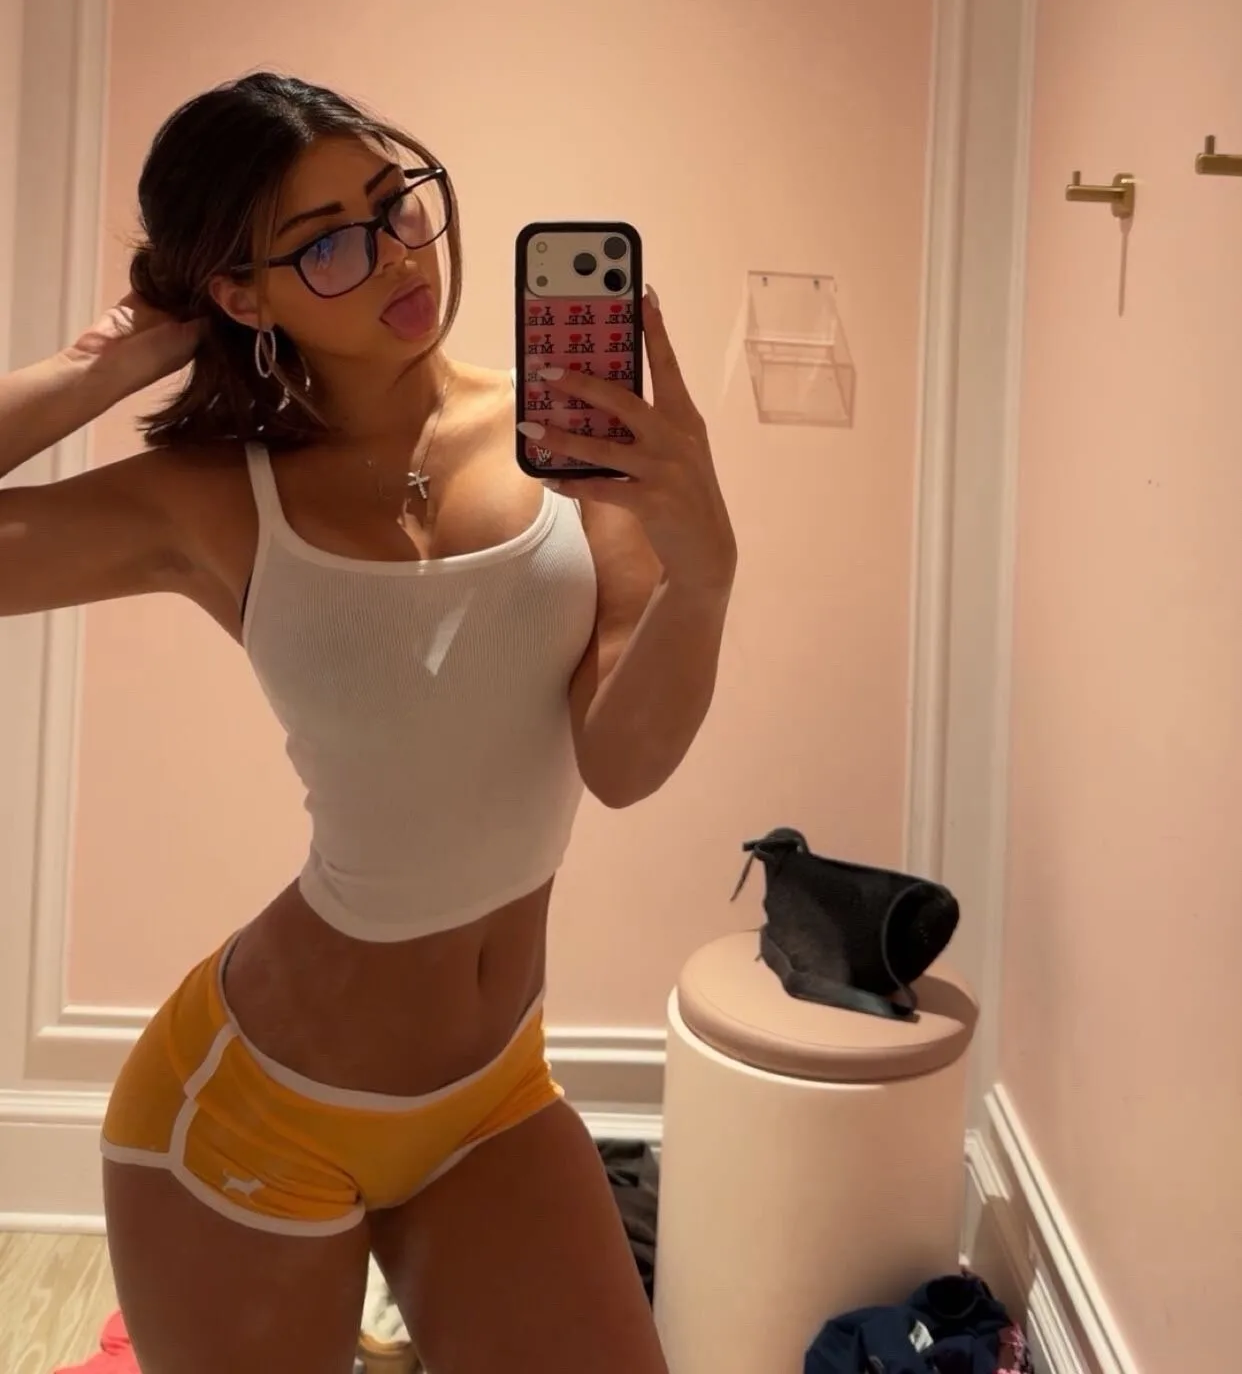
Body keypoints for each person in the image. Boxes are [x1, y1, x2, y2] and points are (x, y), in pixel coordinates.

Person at [0, 72, 737, 1374]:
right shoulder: (210, 500)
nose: (398, 253)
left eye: (395, 204)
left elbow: (623, 764)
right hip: (248, 1119)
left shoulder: (573, 447)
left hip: (492, 1095)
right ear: (242, 296)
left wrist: (706, 574)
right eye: (325, 244)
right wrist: (100, 362)